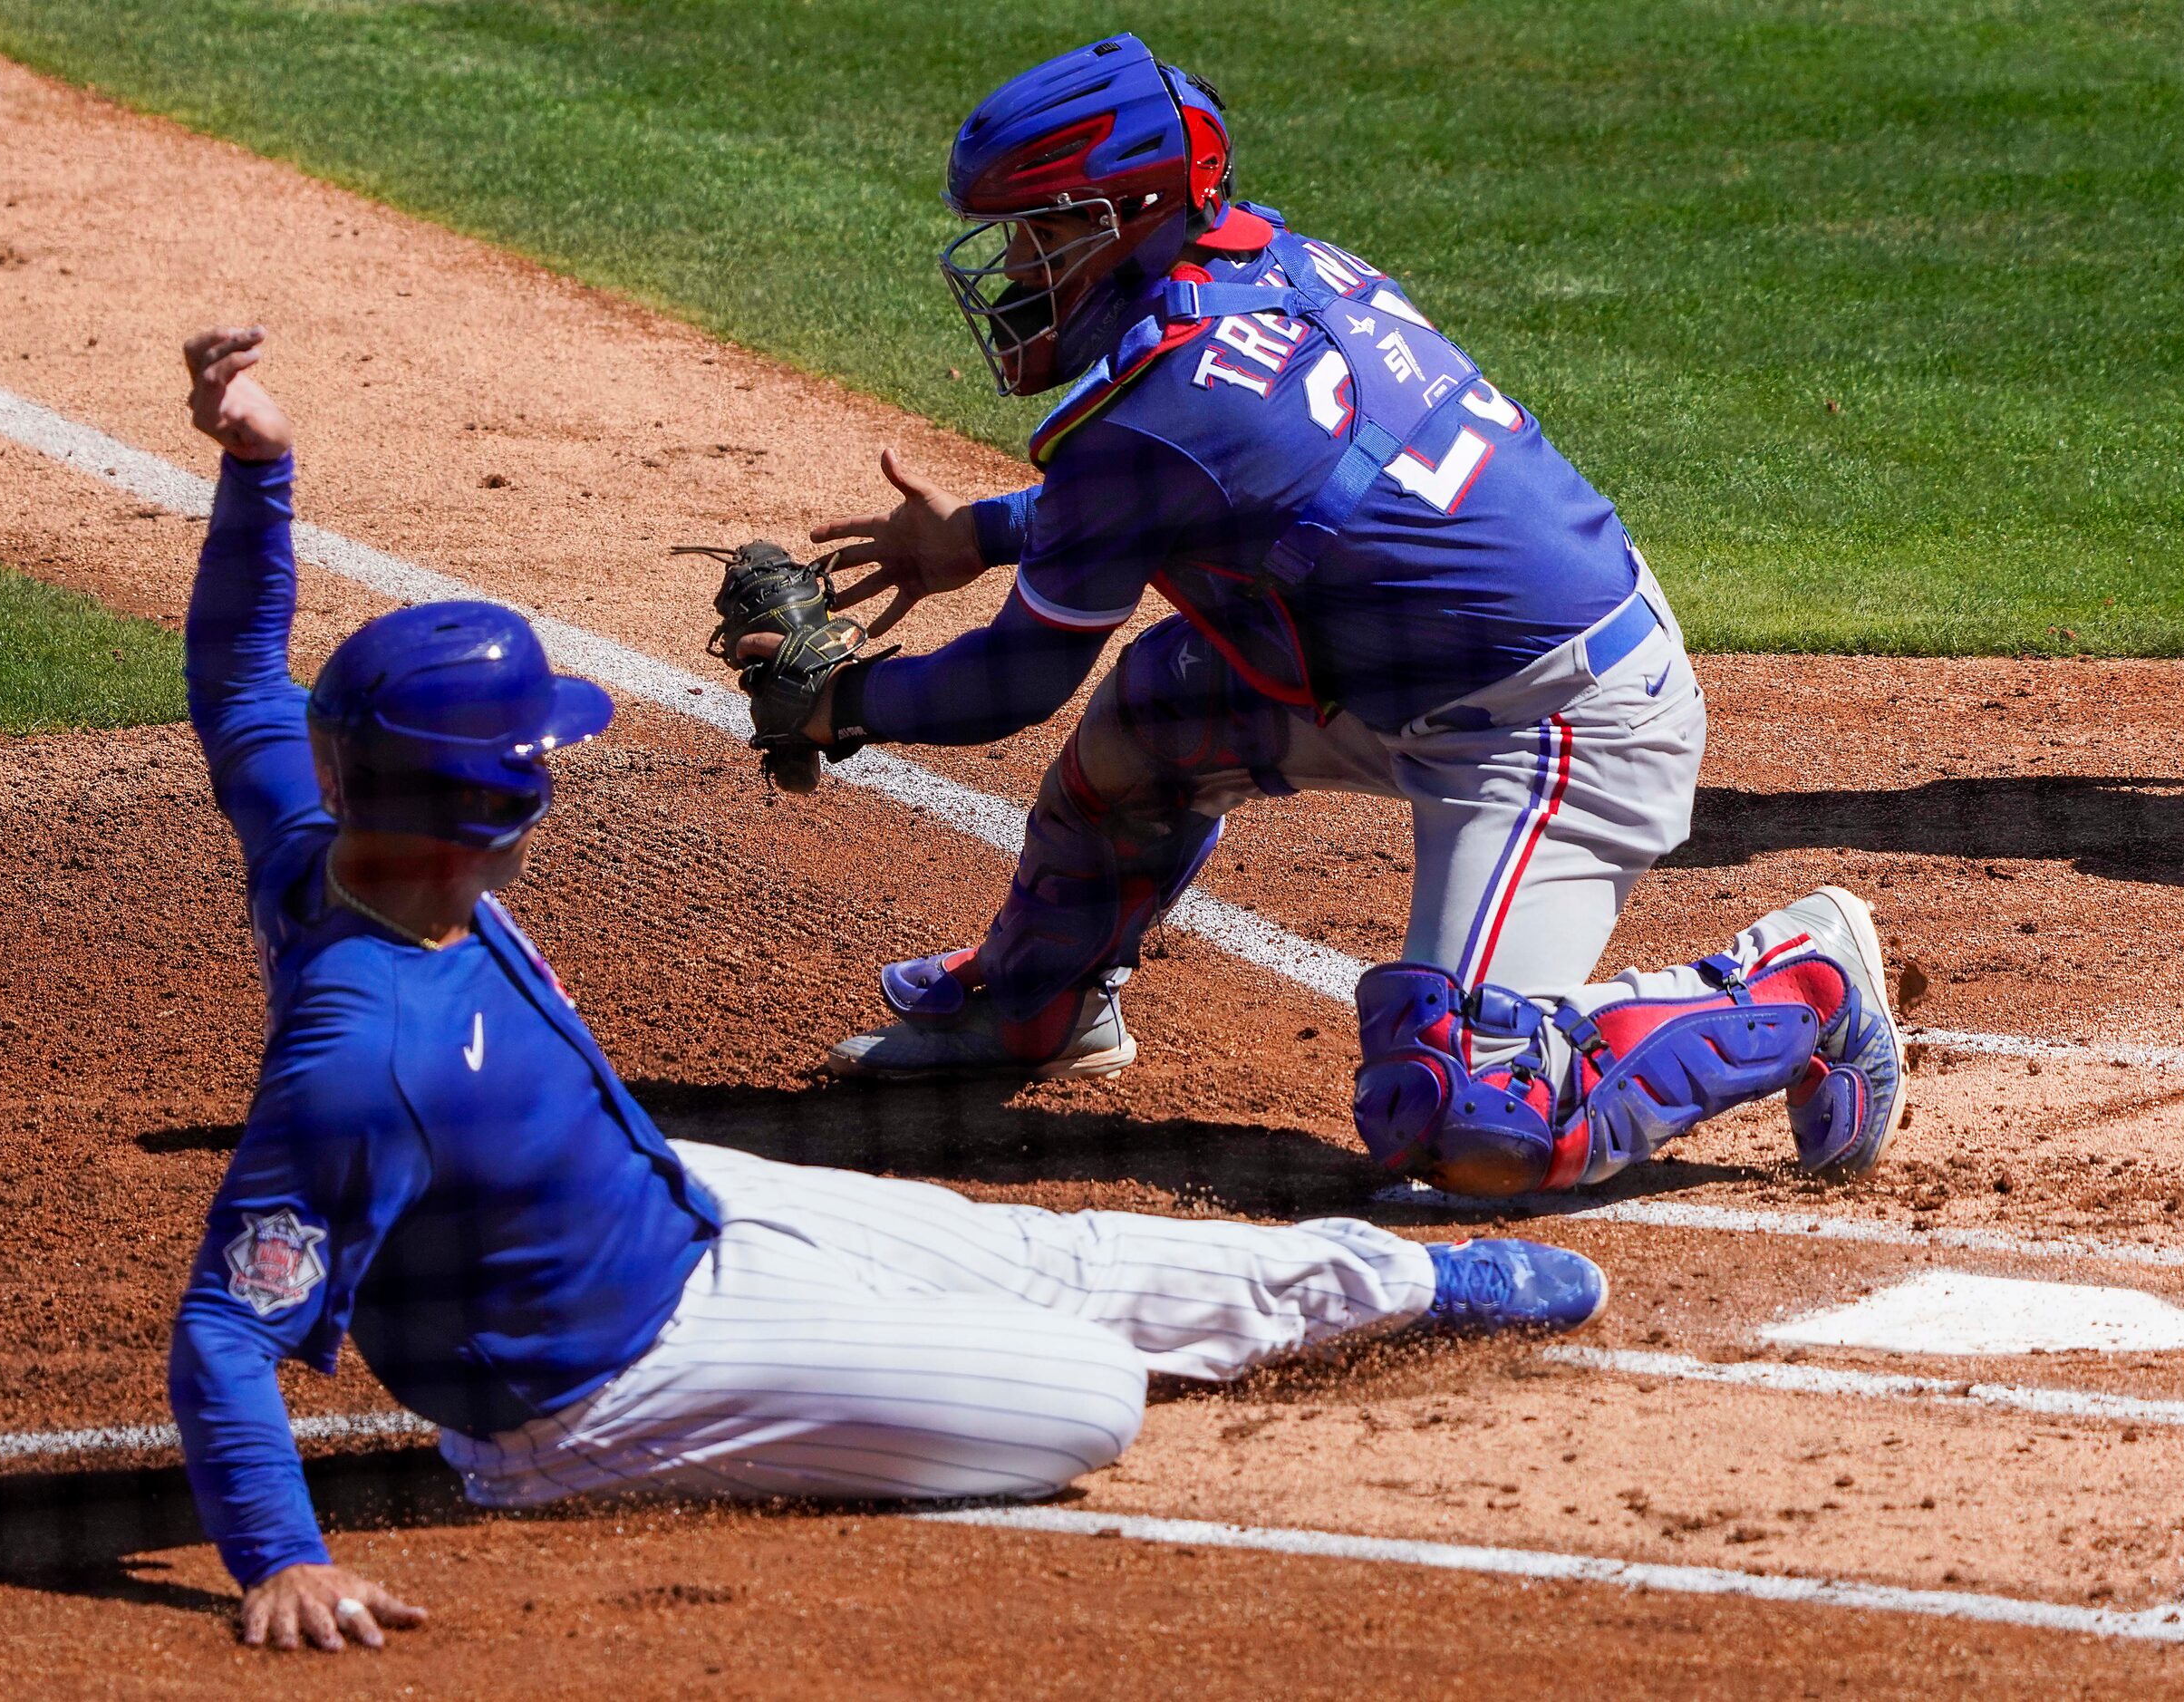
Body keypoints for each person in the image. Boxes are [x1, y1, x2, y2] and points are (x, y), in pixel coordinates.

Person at [168, 325, 1614, 1655]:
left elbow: (239, 682)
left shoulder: (323, 843)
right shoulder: (363, 1055)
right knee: (1082, 1395)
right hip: (595, 1392)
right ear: (495, 798)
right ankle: (693, 1440)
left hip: (674, 1202)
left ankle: (1412, 1277)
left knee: (1047, 1257)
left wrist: (260, 465)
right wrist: (279, 1557)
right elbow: (227, 1326)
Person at [753, 35, 1906, 1200]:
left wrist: (835, 704)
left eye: (1045, 233)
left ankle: (1805, 982)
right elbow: (1212, 481)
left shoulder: (1150, 418)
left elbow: (1015, 680)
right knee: (1161, 713)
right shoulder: (1268, 265)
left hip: (1558, 726)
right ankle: (1036, 1003)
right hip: (1414, 662)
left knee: (1468, 1124)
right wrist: (986, 535)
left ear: (1132, 216)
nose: (1016, 267)